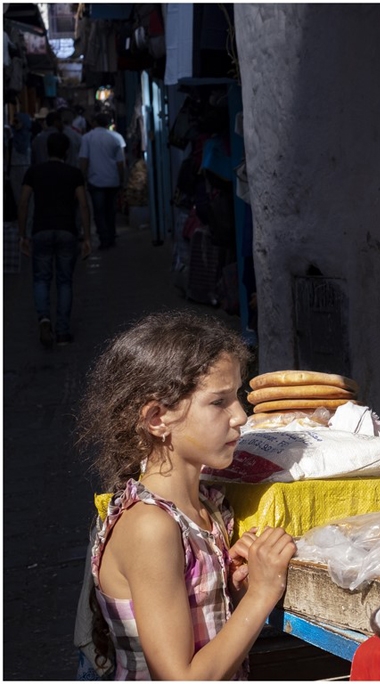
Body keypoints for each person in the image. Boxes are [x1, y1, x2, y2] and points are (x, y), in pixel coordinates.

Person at [77, 310, 296, 679]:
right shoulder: (152, 527)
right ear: (157, 419)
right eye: (218, 402)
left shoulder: (207, 506)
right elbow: (181, 677)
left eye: (238, 397)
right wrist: (262, 592)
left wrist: (237, 587)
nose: (240, 415)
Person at [18, 133, 91, 348]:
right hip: (67, 231)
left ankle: (44, 318)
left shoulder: (34, 173)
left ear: (46, 150)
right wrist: (87, 236)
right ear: (67, 151)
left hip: (41, 230)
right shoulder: (74, 174)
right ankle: (63, 333)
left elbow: (23, 203)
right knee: (64, 281)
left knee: (41, 279)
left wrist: (22, 235)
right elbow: (83, 205)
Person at [78, 112, 125, 249]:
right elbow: (120, 163)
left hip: (95, 180)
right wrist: (121, 179)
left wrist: (83, 177)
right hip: (113, 180)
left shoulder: (87, 138)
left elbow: (84, 160)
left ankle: (104, 238)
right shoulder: (116, 137)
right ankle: (111, 236)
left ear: (94, 123)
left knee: (99, 212)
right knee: (111, 210)